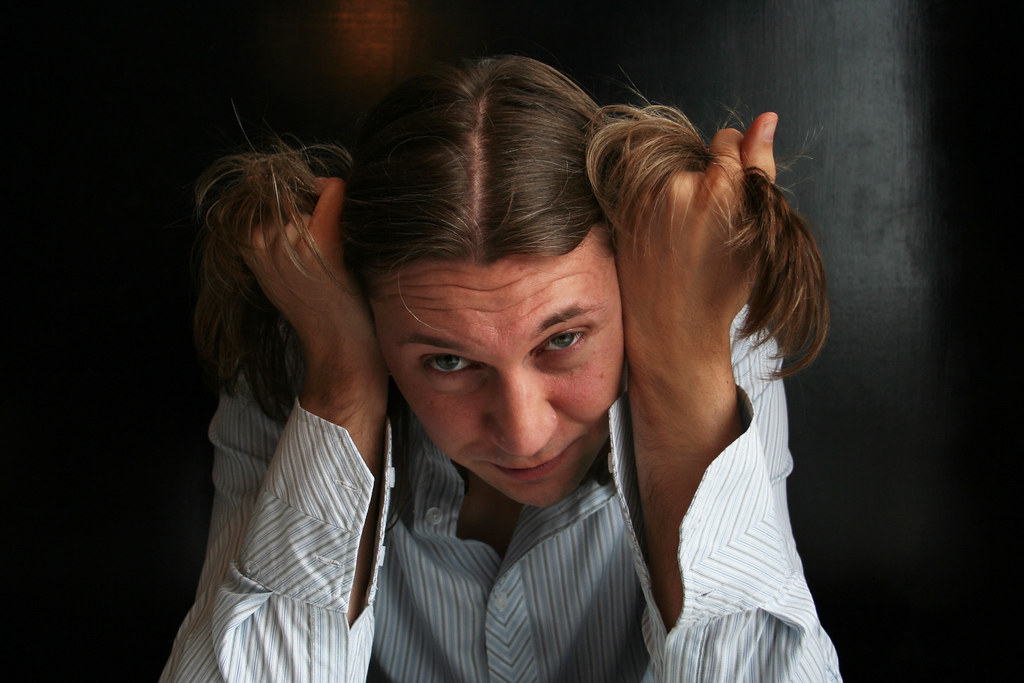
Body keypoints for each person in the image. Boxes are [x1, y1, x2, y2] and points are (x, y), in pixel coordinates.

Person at [161, 55, 840, 681]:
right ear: (368, 322)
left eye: (564, 338)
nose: (522, 432)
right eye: (447, 360)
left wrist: (683, 368)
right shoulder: (301, 354)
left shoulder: (717, 339)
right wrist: (342, 377)